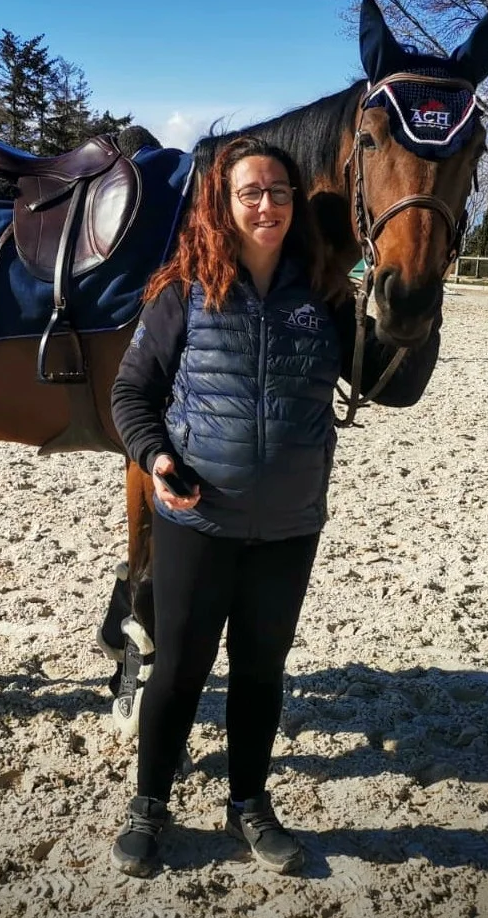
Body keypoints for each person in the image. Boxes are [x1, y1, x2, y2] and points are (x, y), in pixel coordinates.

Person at [107, 135, 441, 878]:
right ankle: (149, 806)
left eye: (281, 192)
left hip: (291, 524)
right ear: (222, 205)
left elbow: (392, 380)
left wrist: (419, 296)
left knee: (262, 671)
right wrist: (157, 457)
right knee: (179, 673)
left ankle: (249, 803)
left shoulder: (324, 293)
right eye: (251, 192)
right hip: (198, 516)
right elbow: (130, 393)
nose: (268, 204)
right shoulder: (184, 288)